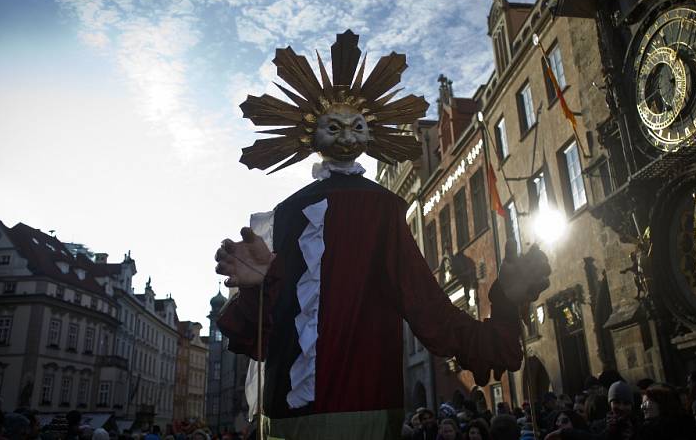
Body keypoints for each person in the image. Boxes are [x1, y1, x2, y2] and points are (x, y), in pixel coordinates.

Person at [214, 31, 552, 439]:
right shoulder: (287, 214)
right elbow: (264, 338)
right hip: (299, 417)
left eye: (356, 126)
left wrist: (499, 319)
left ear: (371, 133)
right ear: (310, 133)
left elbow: (427, 307)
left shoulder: (381, 207)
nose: (345, 136)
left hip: (359, 410)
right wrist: (260, 290)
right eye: (333, 127)